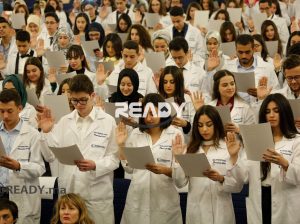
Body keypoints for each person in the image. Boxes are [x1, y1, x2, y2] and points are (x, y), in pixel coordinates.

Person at [38, 75, 119, 223]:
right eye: (74, 100)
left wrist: (95, 165)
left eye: (83, 100)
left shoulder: (108, 122)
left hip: (97, 195)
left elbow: (115, 159)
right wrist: (46, 132)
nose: (78, 104)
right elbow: (50, 156)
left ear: (92, 96)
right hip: (70, 194)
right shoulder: (64, 122)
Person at [116, 93, 183, 224]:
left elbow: (181, 179)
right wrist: (121, 145)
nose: (148, 118)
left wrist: (164, 170)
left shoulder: (175, 134)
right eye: (145, 114)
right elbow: (128, 169)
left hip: (165, 203)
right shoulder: (136, 134)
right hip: (138, 200)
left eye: (152, 113)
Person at [172, 105, 244, 223]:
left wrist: (221, 178)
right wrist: (177, 159)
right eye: (200, 125)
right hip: (197, 213)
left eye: (209, 124)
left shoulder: (227, 147)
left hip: (221, 212)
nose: (204, 129)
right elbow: (180, 183)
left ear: (216, 124)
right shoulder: (190, 149)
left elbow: (238, 187)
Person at [237, 93, 300, 224]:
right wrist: (234, 156)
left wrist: (285, 164)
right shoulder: (254, 138)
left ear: (285, 112)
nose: (271, 115)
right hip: (260, 197)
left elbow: (298, 175)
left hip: (285, 200)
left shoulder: (296, 140)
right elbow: (243, 175)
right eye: (268, 111)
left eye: (276, 111)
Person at [0, 89, 45, 223]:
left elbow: (40, 168)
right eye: (1, 111)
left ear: (19, 108)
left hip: (21, 194)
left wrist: (19, 166)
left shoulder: (32, 134)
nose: (5, 116)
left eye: (9, 111)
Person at [223, 34, 280, 103]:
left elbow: (277, 92)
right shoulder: (228, 67)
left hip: (261, 108)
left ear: (253, 49)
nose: (244, 56)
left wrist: (264, 95)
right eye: (240, 52)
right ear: (236, 50)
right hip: (237, 110)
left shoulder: (268, 67)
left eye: (247, 52)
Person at [158, 66, 195, 137]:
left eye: (172, 82)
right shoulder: (158, 99)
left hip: (182, 139)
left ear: (178, 82)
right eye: (165, 82)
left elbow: (194, 126)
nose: (168, 85)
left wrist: (185, 124)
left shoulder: (187, 99)